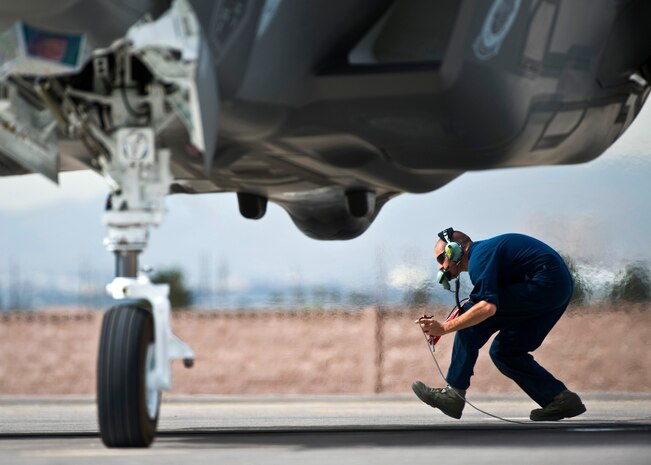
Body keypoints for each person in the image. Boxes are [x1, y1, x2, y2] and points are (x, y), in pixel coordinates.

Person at [412, 228, 586, 421]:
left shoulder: (480, 256)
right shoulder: (484, 255)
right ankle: (560, 399)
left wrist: (444, 328)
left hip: (544, 283)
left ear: (454, 249)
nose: (439, 267)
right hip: (557, 289)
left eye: (440, 259)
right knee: (505, 351)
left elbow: (487, 308)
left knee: (471, 320)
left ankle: (454, 393)